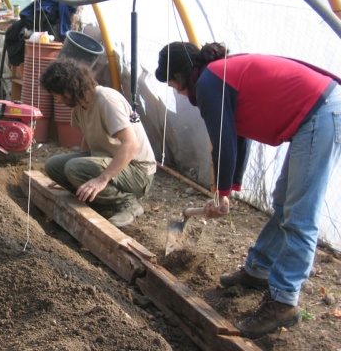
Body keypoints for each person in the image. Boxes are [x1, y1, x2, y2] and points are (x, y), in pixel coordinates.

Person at [155, 41, 341, 339]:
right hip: (317, 110)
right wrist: (231, 187)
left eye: (172, 84)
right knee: (283, 202)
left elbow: (224, 141)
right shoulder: (217, 74)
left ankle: (284, 301)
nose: (176, 91)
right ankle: (258, 270)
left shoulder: (208, 82)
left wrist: (222, 193)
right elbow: (239, 133)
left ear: (178, 75)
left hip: (321, 113)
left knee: (300, 215)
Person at [40, 58, 157, 228]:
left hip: (138, 172)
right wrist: (71, 178)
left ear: (67, 90)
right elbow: (88, 138)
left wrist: (101, 179)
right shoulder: (79, 105)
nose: (57, 100)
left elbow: (131, 145)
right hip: (110, 162)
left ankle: (127, 203)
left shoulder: (106, 100)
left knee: (74, 168)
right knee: (54, 166)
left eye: (56, 95)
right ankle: (98, 201)